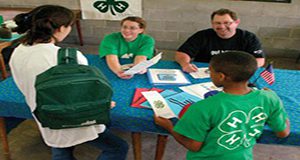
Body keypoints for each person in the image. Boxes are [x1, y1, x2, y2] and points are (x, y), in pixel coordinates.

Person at [9, 5, 128, 160]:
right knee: (118, 148)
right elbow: (85, 92)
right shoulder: (69, 57)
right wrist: (102, 104)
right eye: (69, 26)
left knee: (61, 148)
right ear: (60, 28)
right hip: (75, 116)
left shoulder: (19, 51)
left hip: (45, 114)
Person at [154, 51, 290, 160]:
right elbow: (283, 133)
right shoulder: (270, 97)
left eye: (210, 71)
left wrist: (170, 127)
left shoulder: (202, 107)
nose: (210, 74)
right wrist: (279, 108)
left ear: (220, 76)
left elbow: (193, 146)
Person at [176, 8, 265, 73]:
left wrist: (241, 69)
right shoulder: (202, 36)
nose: (222, 27)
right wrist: (185, 64)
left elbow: (259, 60)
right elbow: (182, 53)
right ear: (212, 24)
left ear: (236, 23)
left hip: (236, 72)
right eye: (217, 23)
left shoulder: (249, 37)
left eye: (227, 23)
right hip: (205, 73)